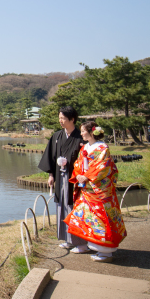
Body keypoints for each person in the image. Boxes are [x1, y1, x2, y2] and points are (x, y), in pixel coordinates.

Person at [64, 121, 127, 262]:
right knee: (87, 219)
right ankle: (92, 247)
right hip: (86, 189)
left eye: (83, 131)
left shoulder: (102, 148)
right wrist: (79, 175)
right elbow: (78, 164)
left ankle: (106, 252)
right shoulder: (85, 147)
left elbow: (103, 166)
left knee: (101, 219)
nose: (81, 134)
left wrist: (86, 176)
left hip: (99, 190)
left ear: (92, 132)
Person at [37, 106, 87, 250]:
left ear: (72, 119)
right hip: (60, 177)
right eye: (59, 118)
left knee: (75, 207)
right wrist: (51, 175)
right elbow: (51, 157)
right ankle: (67, 239)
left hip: (76, 180)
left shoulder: (80, 137)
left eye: (63, 118)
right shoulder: (57, 136)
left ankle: (81, 242)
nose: (60, 121)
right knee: (61, 207)